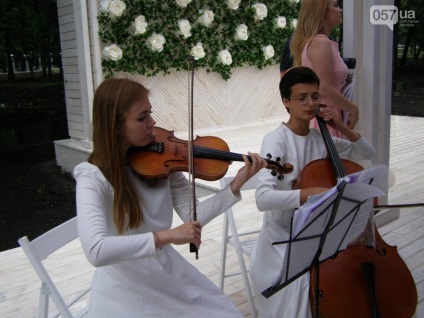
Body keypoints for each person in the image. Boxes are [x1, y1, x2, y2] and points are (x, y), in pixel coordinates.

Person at [74, 78, 267, 317]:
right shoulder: (92, 177)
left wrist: (236, 184)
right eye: (142, 117)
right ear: (115, 125)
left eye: (150, 114)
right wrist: (168, 236)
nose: (152, 123)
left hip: (163, 269)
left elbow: (192, 217)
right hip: (125, 287)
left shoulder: (160, 164)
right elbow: (96, 251)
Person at [249, 66, 376, 318]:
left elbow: (368, 153)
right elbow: (262, 200)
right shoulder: (276, 140)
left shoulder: (321, 138)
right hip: (283, 238)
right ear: (286, 101)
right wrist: (310, 193)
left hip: (319, 232)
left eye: (315, 96)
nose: (310, 103)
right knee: (305, 284)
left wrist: (340, 124)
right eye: (301, 97)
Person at [290, 0, 360, 137]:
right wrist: (353, 108)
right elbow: (323, 88)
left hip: (328, 115)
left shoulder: (318, 42)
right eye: (335, 5)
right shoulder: (320, 43)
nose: (340, 10)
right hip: (326, 116)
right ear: (321, 12)